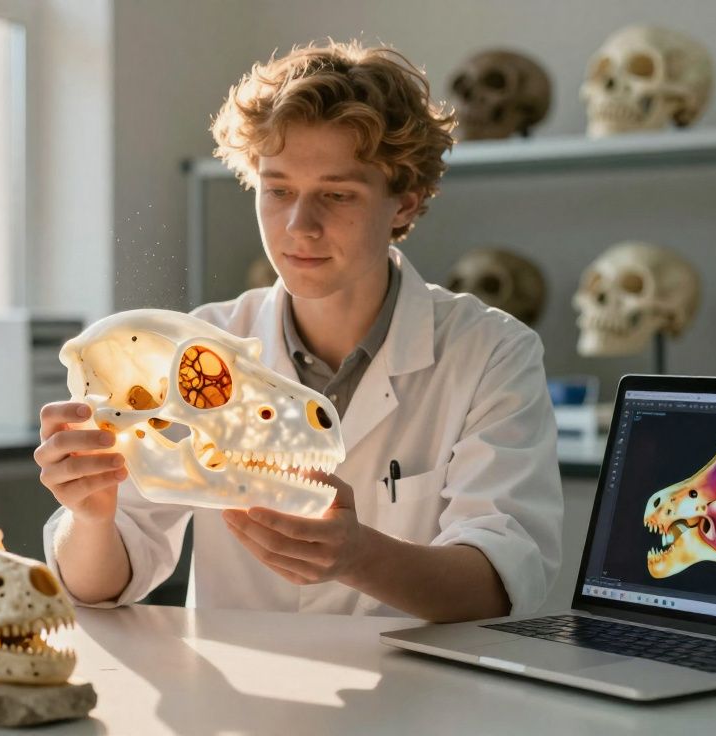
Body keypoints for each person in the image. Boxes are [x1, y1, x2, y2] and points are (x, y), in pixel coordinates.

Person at [36, 39, 562, 622]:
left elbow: (502, 583)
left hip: (418, 696)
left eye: (337, 195)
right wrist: (91, 515)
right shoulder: (201, 347)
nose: (299, 226)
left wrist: (361, 557)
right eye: (278, 190)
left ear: (405, 205)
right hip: (239, 699)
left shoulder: (491, 352)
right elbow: (101, 586)